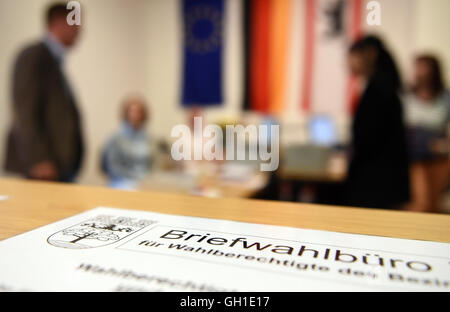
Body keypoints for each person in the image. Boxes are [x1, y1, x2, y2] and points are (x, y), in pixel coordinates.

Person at [4, 3, 84, 182]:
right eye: (76, 23)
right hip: (40, 168)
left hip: (58, 168)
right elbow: (24, 110)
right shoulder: (33, 56)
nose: (80, 29)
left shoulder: (54, 62)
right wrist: (39, 158)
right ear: (59, 22)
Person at [346, 36, 410, 209]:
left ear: (370, 55)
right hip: (384, 179)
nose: (349, 63)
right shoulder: (383, 86)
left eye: (352, 56)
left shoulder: (379, 90)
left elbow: (368, 137)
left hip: (376, 181)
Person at [403, 55, 450, 213]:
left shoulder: (445, 97)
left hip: (438, 156)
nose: (420, 72)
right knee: (422, 202)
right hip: (414, 156)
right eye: (418, 67)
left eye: (424, 67)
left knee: (434, 204)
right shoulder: (407, 95)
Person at [102, 96, 153, 189]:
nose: (135, 115)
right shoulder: (116, 138)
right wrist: (134, 177)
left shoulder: (148, 139)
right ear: (126, 113)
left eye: (138, 112)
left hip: (144, 183)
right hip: (121, 182)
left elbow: (152, 165)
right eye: (132, 111)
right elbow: (112, 168)